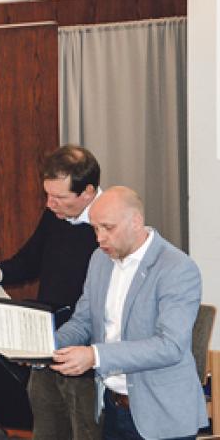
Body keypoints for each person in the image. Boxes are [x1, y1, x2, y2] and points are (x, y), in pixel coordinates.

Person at [0, 145, 102, 439]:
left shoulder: (108, 226)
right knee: (46, 429)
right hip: (45, 343)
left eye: (59, 197)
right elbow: (30, 260)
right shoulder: (56, 213)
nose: (50, 204)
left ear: (88, 192)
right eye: (47, 195)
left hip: (86, 358)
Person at [52, 186, 207, 439]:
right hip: (112, 408)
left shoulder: (176, 268)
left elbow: (170, 346)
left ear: (136, 222)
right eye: (95, 228)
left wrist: (95, 355)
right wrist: (47, 346)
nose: (99, 238)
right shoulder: (99, 260)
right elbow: (83, 321)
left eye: (108, 228)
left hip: (161, 416)